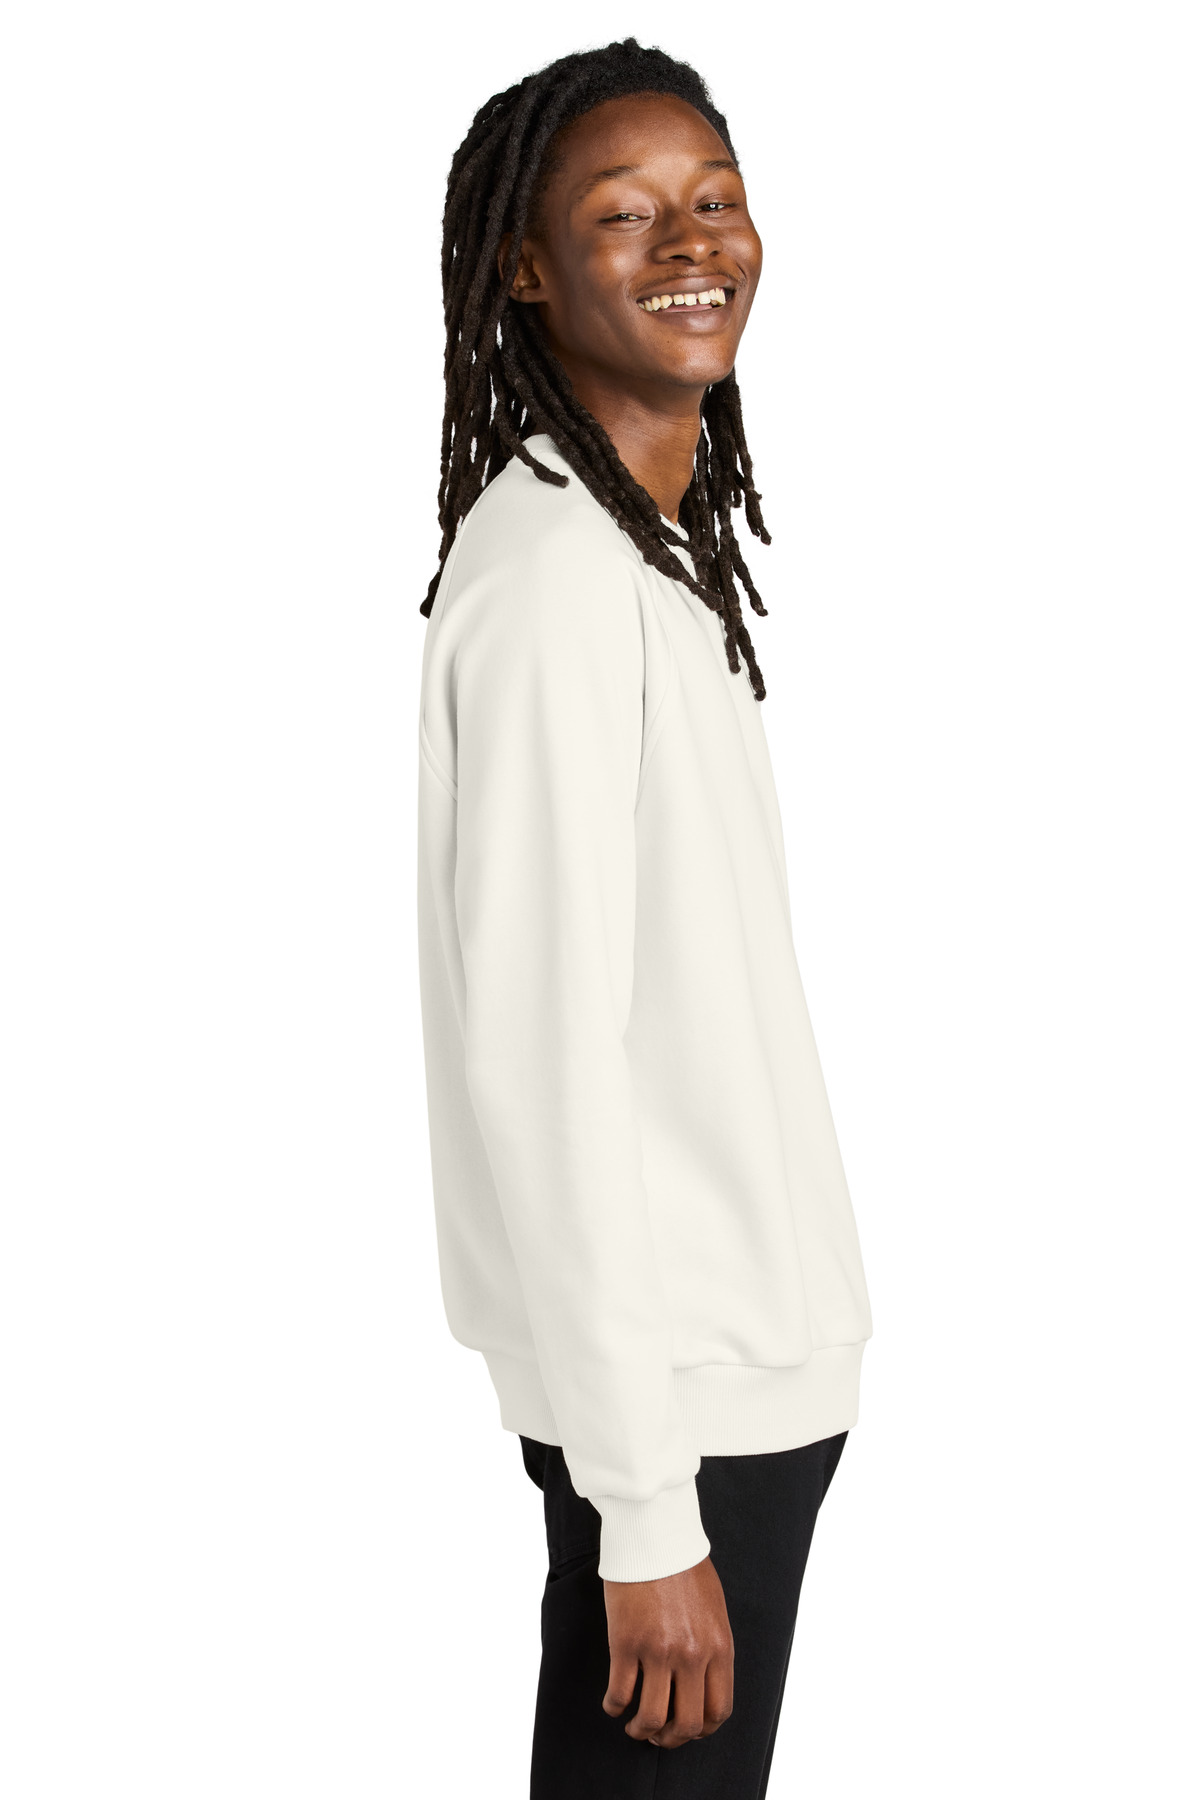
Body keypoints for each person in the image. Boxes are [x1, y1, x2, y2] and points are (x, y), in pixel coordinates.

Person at [416, 38, 874, 1799]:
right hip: (678, 1415)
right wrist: (643, 1508)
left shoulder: (640, 556)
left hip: (716, 1391)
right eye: (623, 214)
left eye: (716, 198)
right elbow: (544, 1068)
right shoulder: (555, 581)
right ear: (525, 268)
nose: (693, 243)